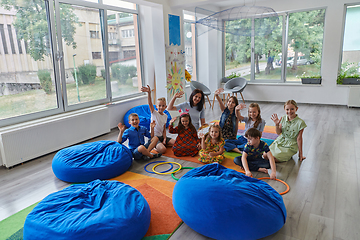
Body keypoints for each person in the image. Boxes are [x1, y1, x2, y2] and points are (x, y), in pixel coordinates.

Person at [141, 85, 175, 154]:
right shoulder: (154, 113)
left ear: (165, 107)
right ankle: (154, 146)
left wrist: (165, 138)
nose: (161, 107)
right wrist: (149, 93)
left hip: (161, 136)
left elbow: (164, 129)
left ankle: (163, 143)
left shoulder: (165, 116)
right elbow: (150, 103)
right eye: (159, 105)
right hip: (154, 138)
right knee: (163, 150)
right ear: (156, 106)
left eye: (163, 106)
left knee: (176, 143)